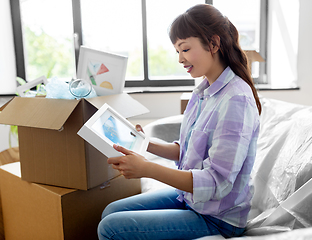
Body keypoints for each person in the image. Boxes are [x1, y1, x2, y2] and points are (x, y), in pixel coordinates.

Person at [98, 4, 261, 240]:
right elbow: (186, 151)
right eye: (177, 51)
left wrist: (148, 169)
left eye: (185, 49)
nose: (180, 59)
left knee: (110, 228)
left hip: (218, 217)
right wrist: (144, 143)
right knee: (110, 211)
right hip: (192, 200)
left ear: (213, 44)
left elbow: (218, 182)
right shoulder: (203, 91)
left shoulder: (236, 99)